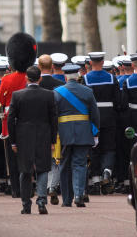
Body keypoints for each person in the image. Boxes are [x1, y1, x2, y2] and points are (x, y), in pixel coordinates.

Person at [8, 65, 57, 215]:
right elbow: (53, 119)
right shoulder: (48, 95)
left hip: (24, 137)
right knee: (42, 169)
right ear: (40, 78)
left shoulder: (17, 95)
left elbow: (11, 120)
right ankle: (41, 201)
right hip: (43, 135)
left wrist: (13, 141)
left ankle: (26, 204)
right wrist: (53, 140)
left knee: (25, 171)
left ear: (26, 78)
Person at [0, 32, 36, 198]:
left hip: (9, 123)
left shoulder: (6, 80)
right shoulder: (32, 77)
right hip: (30, 120)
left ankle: (15, 189)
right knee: (28, 156)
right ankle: (30, 186)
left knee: (12, 159)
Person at [54, 63, 99, 207]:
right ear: (78, 76)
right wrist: (95, 133)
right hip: (83, 132)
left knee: (64, 165)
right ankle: (79, 195)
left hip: (63, 134)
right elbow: (95, 115)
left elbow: (53, 116)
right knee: (80, 164)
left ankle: (67, 200)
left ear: (65, 77)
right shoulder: (87, 91)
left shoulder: (57, 92)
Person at [84, 51, 119, 193]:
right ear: (103, 63)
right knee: (109, 147)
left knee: (94, 147)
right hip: (109, 116)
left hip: (92, 117)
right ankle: (107, 171)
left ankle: (96, 179)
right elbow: (118, 101)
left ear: (90, 63)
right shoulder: (112, 78)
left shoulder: (85, 79)